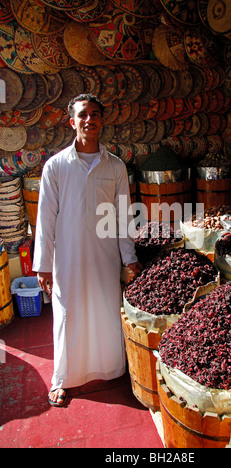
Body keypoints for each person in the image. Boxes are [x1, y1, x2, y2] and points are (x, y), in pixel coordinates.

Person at [33, 93, 142, 407]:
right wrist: (43, 263)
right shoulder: (55, 167)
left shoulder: (116, 166)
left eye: (95, 114)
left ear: (102, 121)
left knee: (105, 310)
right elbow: (45, 218)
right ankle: (63, 379)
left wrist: (129, 258)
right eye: (83, 115)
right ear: (72, 122)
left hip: (105, 256)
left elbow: (123, 216)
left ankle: (112, 369)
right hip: (67, 255)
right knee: (67, 314)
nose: (89, 120)